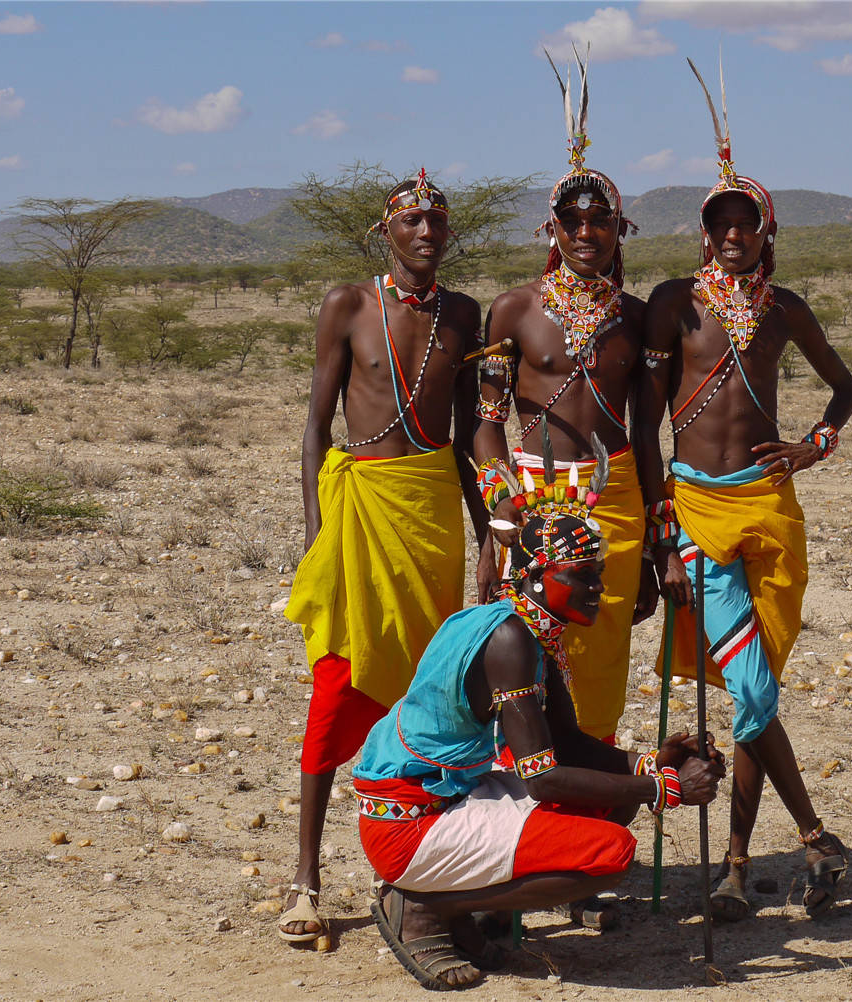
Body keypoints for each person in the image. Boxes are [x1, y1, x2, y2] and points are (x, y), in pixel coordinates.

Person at [352, 439, 725, 990]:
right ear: (534, 575)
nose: (598, 587)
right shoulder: (510, 642)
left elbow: (568, 742)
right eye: (582, 575)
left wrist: (649, 762)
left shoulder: (528, 626)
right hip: (407, 824)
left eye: (598, 572)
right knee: (612, 852)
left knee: (604, 806)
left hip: (443, 796)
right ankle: (427, 907)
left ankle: (467, 908)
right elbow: (544, 776)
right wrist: (665, 790)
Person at [633, 60, 852, 923]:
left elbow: (846, 389)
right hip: (693, 506)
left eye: (747, 222)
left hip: (768, 511)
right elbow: (647, 424)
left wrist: (811, 449)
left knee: (754, 691)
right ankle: (804, 842)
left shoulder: (785, 309)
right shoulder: (670, 303)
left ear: (767, 230)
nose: (734, 234)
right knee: (746, 688)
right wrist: (662, 532)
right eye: (721, 222)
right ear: (705, 232)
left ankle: (737, 866)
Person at [279, 172, 488, 944]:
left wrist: (491, 536)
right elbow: (314, 425)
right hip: (361, 511)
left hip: (433, 512)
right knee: (336, 688)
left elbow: (470, 438)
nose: (426, 232)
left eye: (437, 220)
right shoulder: (348, 305)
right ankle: (304, 878)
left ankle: (414, 870)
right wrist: (315, 529)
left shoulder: (464, 316)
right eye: (412, 222)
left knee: (430, 693)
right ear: (386, 233)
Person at [474, 51, 655, 849]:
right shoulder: (512, 311)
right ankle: (527, 836)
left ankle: (584, 838)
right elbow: (485, 420)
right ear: (553, 228)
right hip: (534, 507)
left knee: (603, 669)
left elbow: (647, 433)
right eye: (572, 222)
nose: (587, 234)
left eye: (602, 221)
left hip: (613, 506)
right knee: (529, 667)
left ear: (621, 230)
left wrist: (657, 542)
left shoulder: (640, 320)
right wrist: (499, 511)